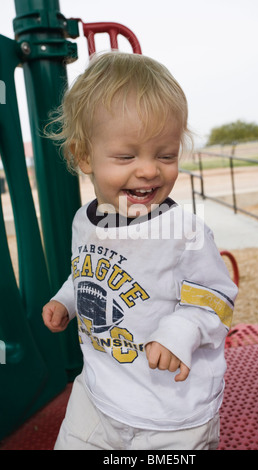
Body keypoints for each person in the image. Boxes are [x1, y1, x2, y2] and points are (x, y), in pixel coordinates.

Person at [42, 51, 238, 450]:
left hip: (171, 413)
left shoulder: (183, 232)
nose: (149, 170)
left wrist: (179, 331)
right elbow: (87, 272)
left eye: (165, 155)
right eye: (127, 156)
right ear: (83, 156)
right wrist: (67, 299)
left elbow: (217, 297)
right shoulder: (85, 220)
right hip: (99, 395)